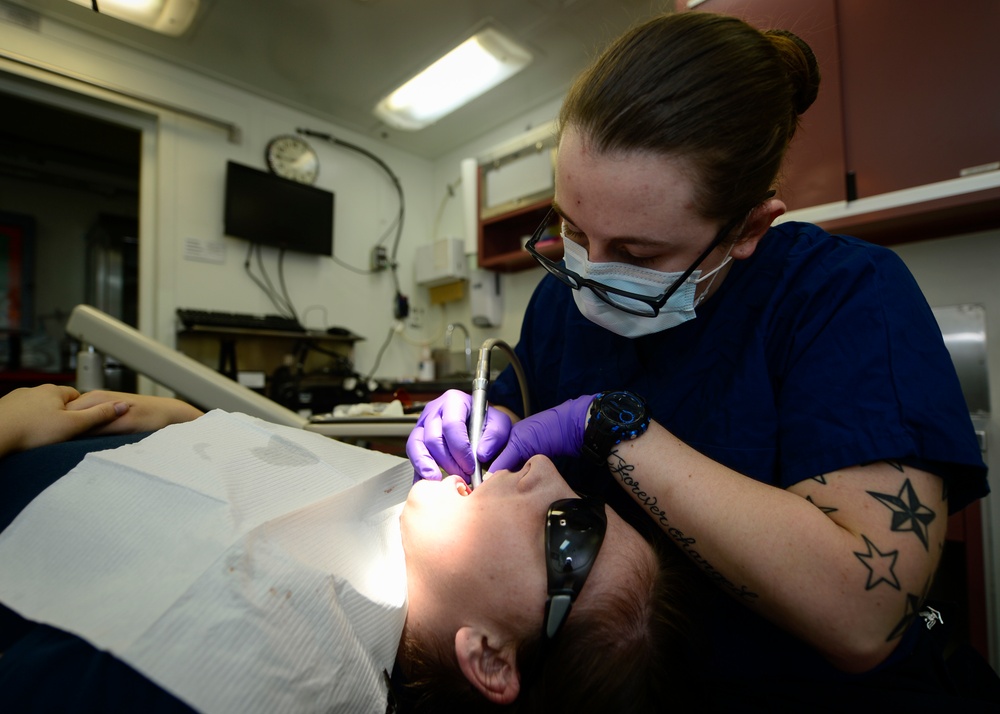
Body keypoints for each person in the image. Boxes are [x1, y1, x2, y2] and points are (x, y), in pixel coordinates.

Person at [407, 10, 998, 709]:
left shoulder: (841, 298)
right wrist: (484, 417)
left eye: (636, 253)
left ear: (749, 227)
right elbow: (513, 407)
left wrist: (608, 423)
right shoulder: (557, 303)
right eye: (571, 227)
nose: (589, 272)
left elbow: (863, 617)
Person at [0, 384, 692, 713]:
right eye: (587, 500)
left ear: (487, 656)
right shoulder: (379, 513)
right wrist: (186, 425)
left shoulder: (223, 673)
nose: (542, 470)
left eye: (569, 529)